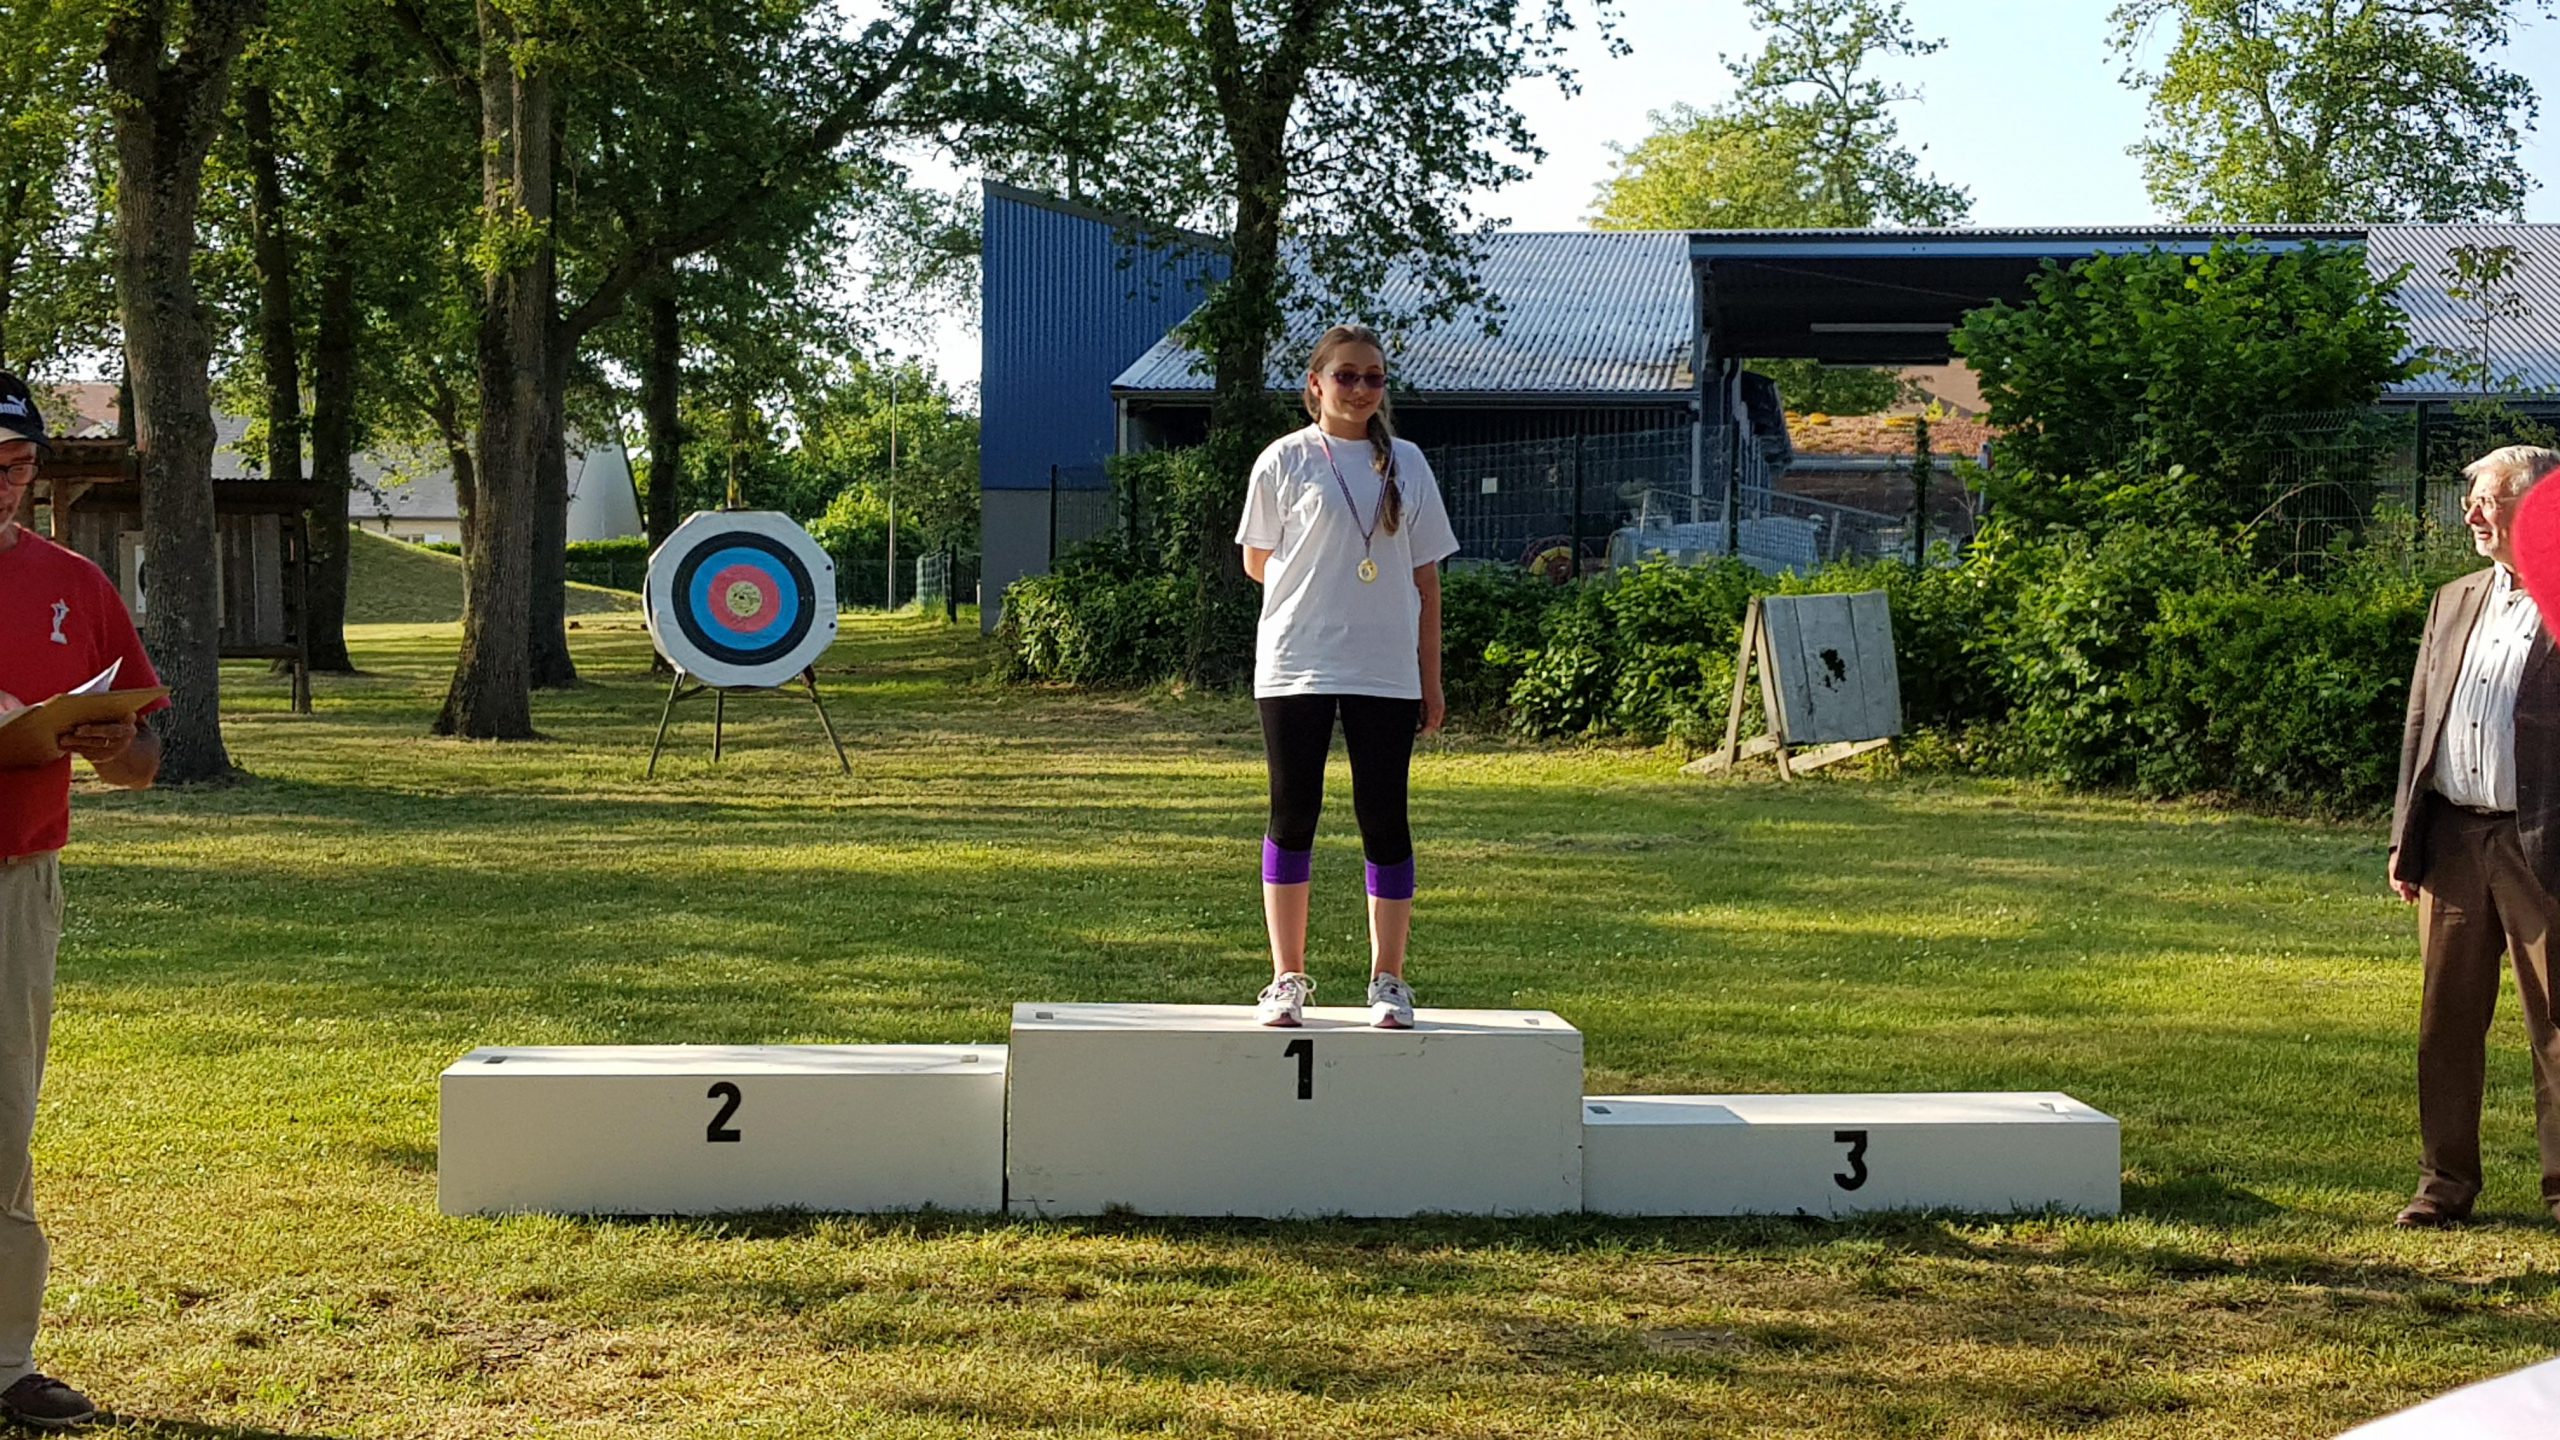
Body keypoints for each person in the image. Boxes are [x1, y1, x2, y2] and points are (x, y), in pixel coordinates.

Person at [0, 372, 164, 1427]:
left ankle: (3, 1363)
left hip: (15, 883)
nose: (4, 482)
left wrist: (111, 743)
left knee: (1, 1120)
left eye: (17, 464)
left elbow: (142, 763)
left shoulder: (75, 584)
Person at [1235, 324, 1459, 1030]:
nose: (1361, 389)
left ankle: (1389, 980)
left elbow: (1426, 580)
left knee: (1384, 816)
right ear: (1316, 384)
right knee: (1292, 812)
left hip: (1384, 668)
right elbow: (1257, 561)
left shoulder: (1408, 464)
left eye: (1373, 378)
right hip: (1296, 662)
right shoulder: (1285, 459)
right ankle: (1286, 978)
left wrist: (1431, 679)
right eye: (1346, 375)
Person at [2389, 443, 2560, 1229]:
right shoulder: (2454, 599)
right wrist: (2407, 837)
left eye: (2488, 499)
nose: (2472, 514)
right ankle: (2443, 1186)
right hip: (2455, 840)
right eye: (2472, 500)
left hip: (2543, 845)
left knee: (2555, 1025)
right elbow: (2420, 725)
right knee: (2445, 1024)